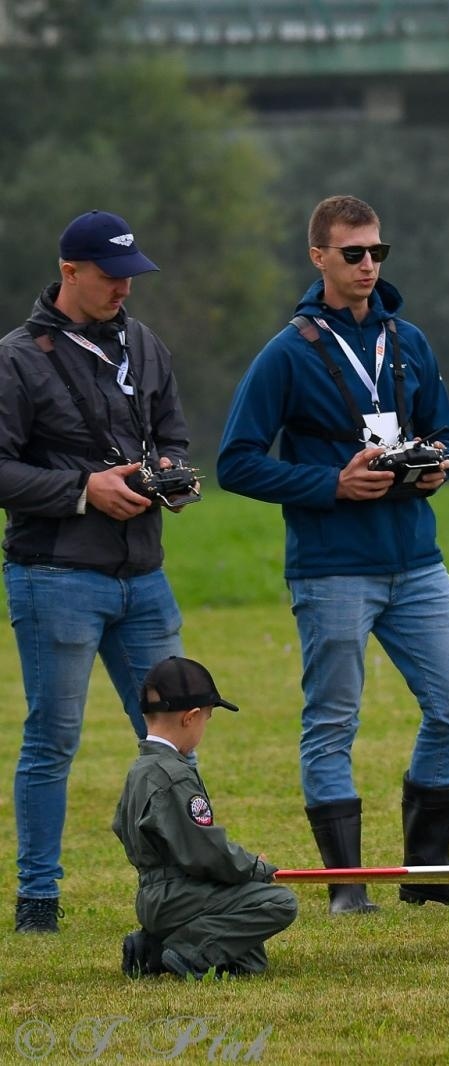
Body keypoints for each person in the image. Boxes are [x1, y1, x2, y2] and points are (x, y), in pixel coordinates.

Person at [217, 195, 449, 914]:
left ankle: (428, 873)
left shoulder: (409, 341)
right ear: (319, 257)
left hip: (417, 561)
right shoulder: (287, 354)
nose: (369, 264)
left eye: (378, 251)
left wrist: (439, 463)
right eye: (354, 253)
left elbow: (447, 430)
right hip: (333, 567)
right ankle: (347, 889)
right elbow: (235, 463)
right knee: (333, 723)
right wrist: (331, 484)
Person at [0, 211, 194, 934]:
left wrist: (169, 470)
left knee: (175, 734)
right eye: (111, 276)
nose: (124, 289)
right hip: (55, 576)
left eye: (131, 276)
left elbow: (172, 433)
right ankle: (38, 900)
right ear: (69, 271)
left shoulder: (145, 345)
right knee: (53, 740)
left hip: (144, 574)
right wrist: (84, 489)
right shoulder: (16, 359)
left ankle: (188, 884)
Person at [112, 657, 297, 978]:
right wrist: (255, 869)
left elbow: (120, 825)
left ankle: (152, 950)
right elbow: (204, 851)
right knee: (277, 903)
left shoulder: (140, 770)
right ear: (190, 717)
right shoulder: (174, 775)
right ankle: (187, 953)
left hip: (151, 894)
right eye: (207, 719)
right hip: (179, 895)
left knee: (249, 962)